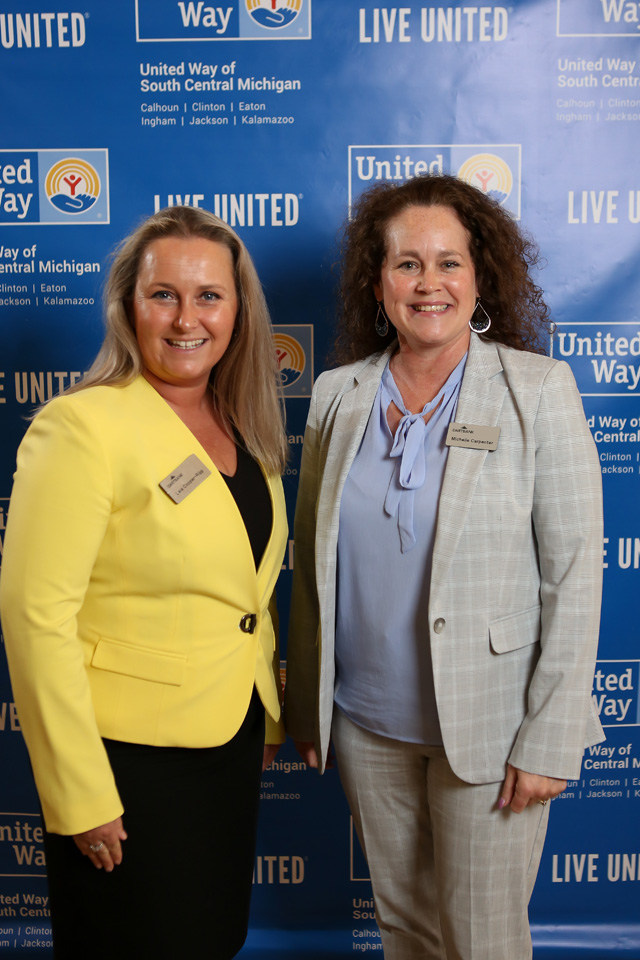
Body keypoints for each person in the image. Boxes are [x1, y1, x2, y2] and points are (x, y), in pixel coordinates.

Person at [284, 174, 604, 960]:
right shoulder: (335, 395)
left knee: (484, 942)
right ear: (377, 281)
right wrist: (306, 702)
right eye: (407, 265)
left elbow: (574, 572)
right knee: (407, 933)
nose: (430, 284)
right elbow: (313, 563)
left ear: (480, 276)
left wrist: (551, 737)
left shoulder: (537, 390)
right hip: (366, 727)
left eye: (449, 263)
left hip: (492, 732)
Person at [0, 205, 288, 959]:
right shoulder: (83, 427)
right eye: (164, 294)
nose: (186, 317)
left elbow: (245, 598)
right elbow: (36, 618)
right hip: (125, 766)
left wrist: (265, 712)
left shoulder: (244, 435)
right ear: (130, 306)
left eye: (209, 296)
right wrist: (80, 794)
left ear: (237, 311)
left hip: (225, 747)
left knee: (209, 940)